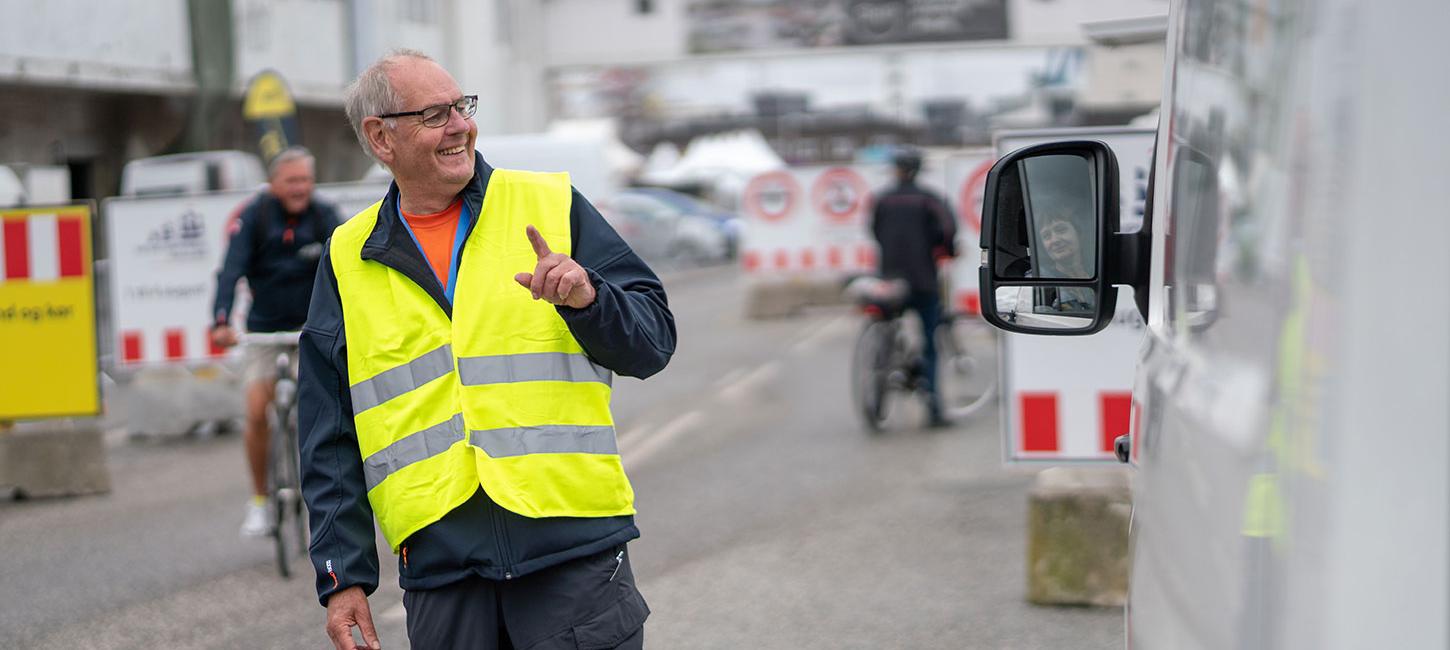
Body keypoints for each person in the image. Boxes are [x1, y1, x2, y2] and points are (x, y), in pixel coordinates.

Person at [299, 49, 674, 650]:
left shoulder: (548, 205)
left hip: (572, 560)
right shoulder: (348, 256)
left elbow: (654, 342)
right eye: (434, 114)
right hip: (443, 576)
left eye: (462, 107)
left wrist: (589, 299)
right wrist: (342, 579)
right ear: (380, 137)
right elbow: (328, 432)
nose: (460, 126)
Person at [210, 146, 341, 537]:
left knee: (324, 416)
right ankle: (260, 502)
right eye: (292, 181)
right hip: (264, 330)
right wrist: (220, 320)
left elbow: (348, 266)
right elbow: (230, 270)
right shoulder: (255, 217)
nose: (301, 188)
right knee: (255, 412)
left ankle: (328, 500)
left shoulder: (325, 216)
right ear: (273, 184)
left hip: (311, 331)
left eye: (306, 180)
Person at [869, 146, 957, 427]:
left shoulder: (881, 200)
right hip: (922, 279)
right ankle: (933, 407)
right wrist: (947, 250)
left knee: (887, 325)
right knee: (930, 341)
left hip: (890, 278)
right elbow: (947, 231)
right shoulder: (929, 199)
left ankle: (883, 373)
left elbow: (874, 231)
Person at [1033, 213, 1094, 313]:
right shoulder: (1036, 279)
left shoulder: (1099, 269)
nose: (1055, 240)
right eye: (1046, 236)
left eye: (1061, 230)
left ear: (1079, 233)